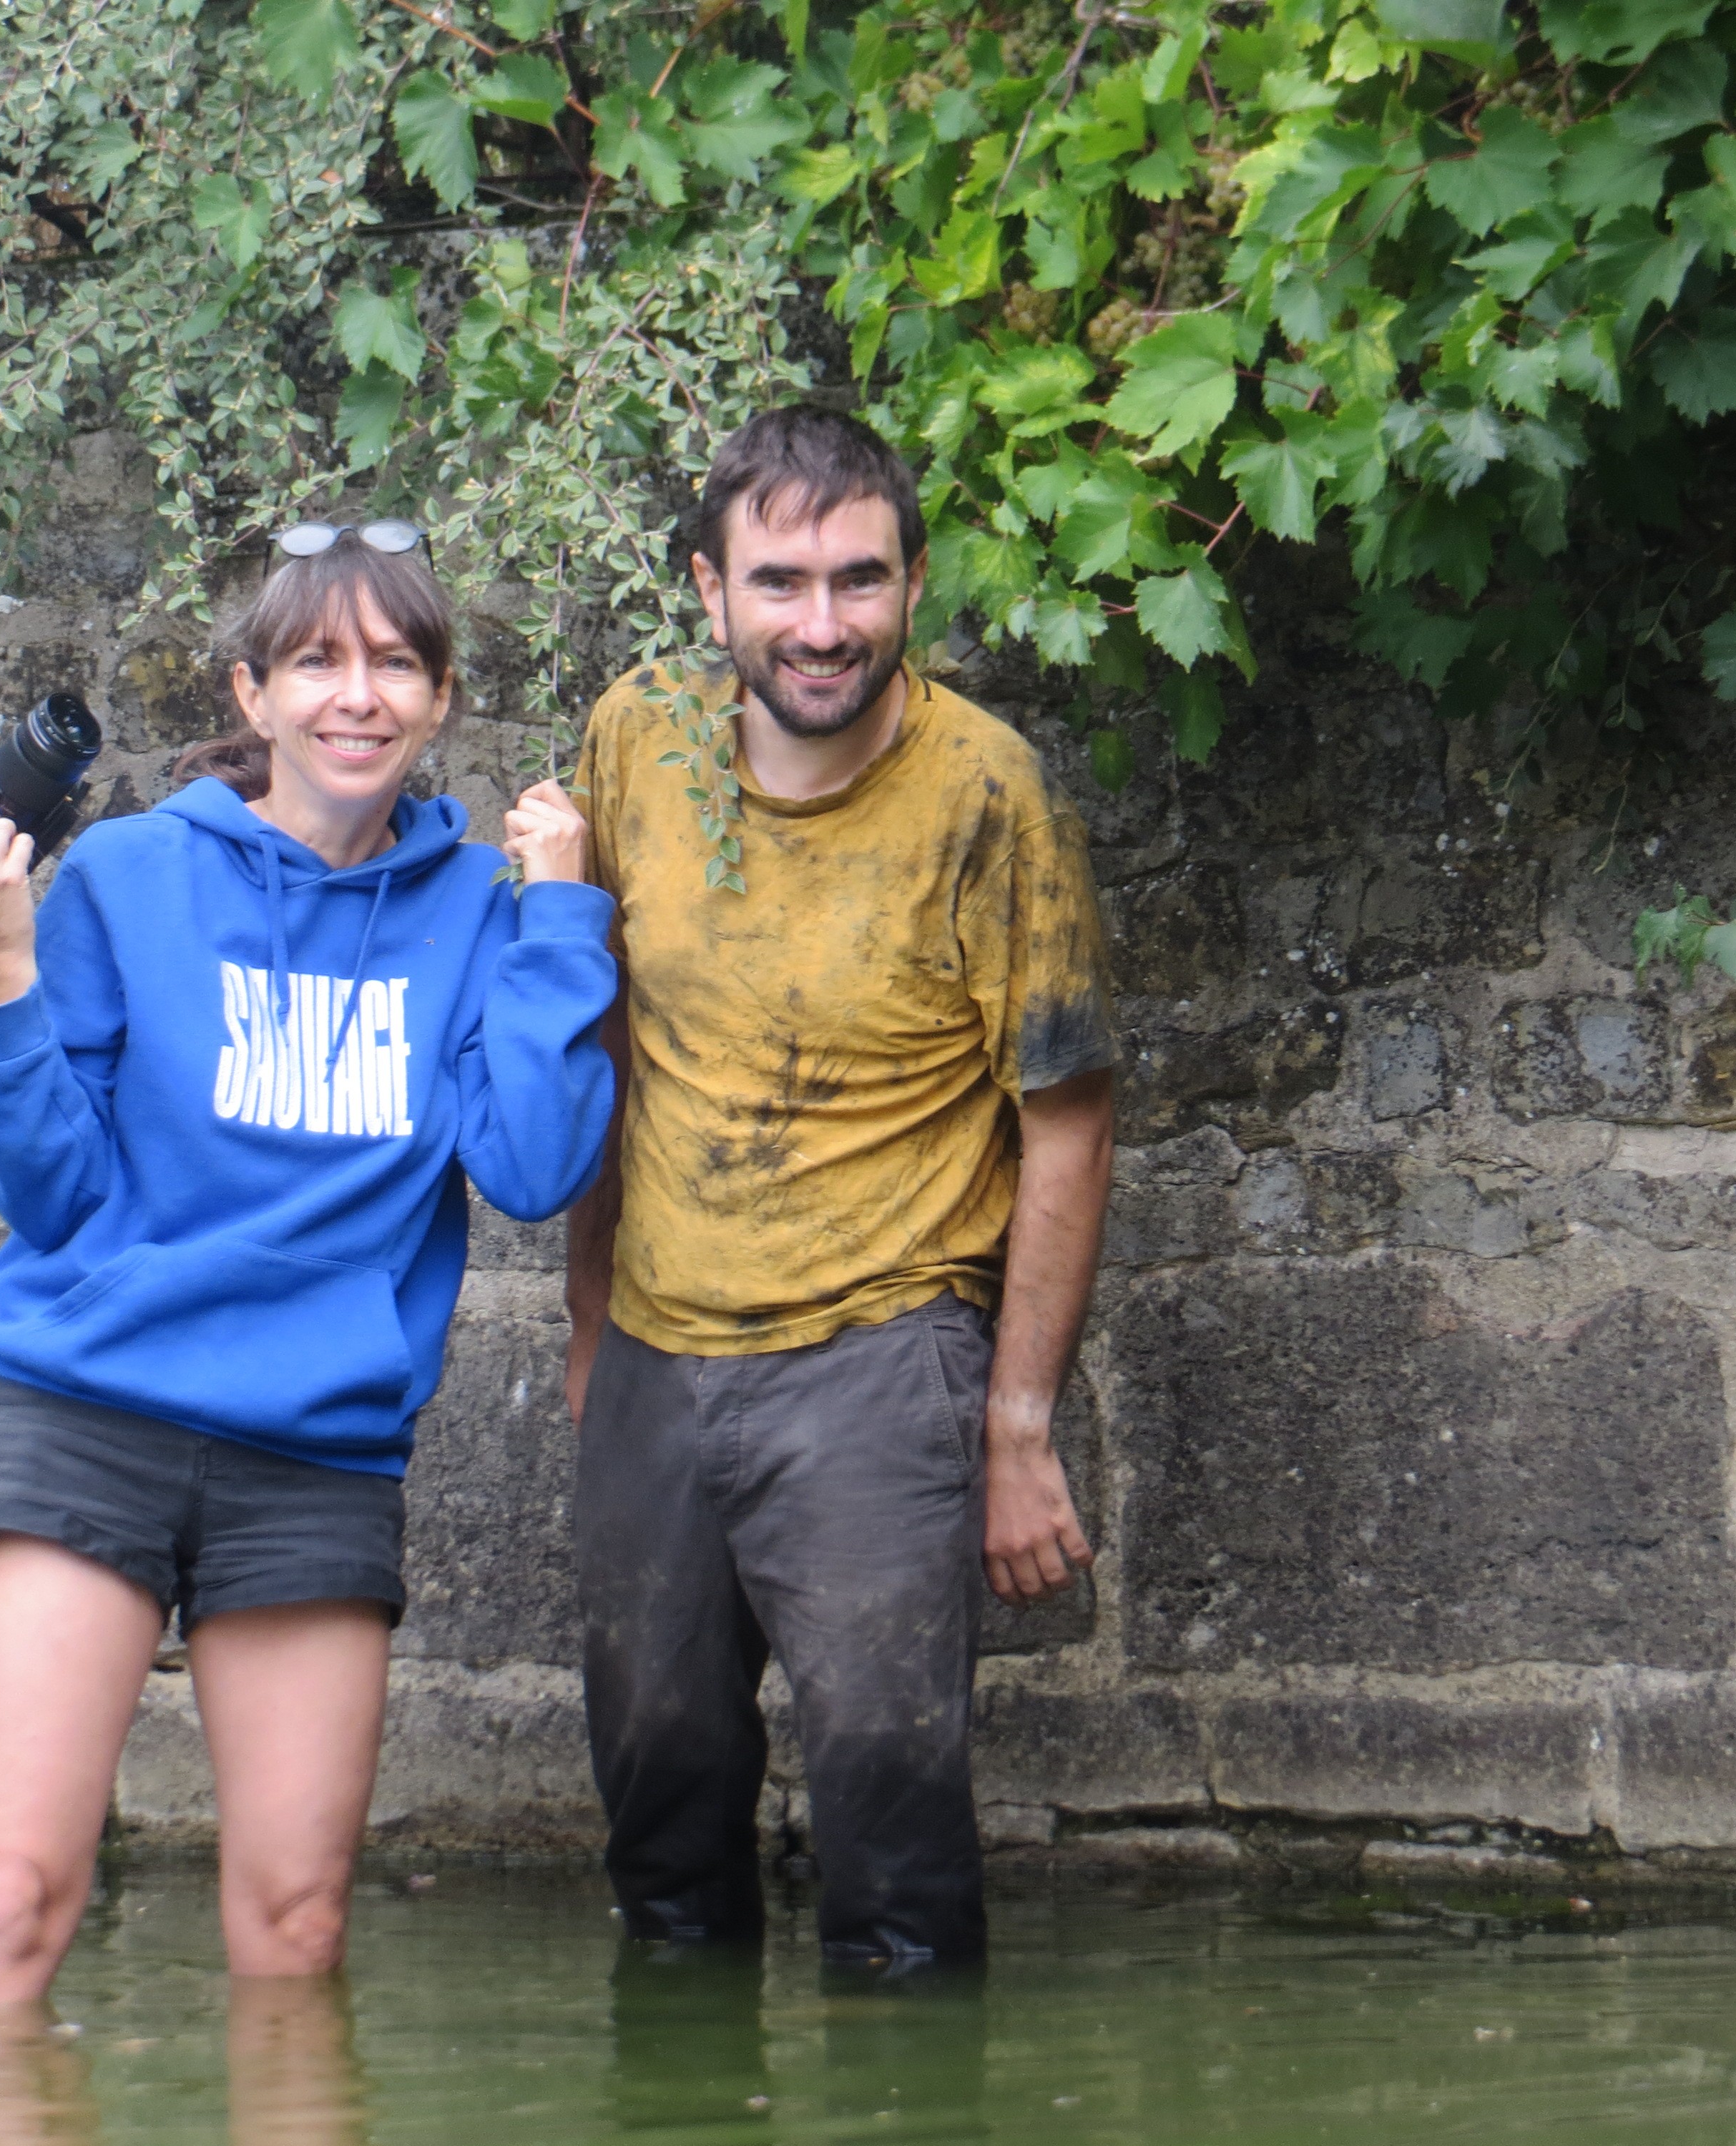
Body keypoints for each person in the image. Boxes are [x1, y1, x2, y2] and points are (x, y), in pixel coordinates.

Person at [0, 521, 617, 2009]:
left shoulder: (479, 913)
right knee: (12, 1901)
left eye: (394, 664)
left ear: (436, 701)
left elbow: (536, 1170)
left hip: (315, 1454)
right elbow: (50, 1199)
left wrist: (557, 915)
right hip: (88, 1419)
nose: (354, 696)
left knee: (296, 1931)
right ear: (254, 689)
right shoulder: (123, 878)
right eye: (316, 662)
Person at [564, 406, 1118, 1968]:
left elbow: (1066, 1125)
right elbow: (611, 1042)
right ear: (707, 590)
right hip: (658, 1367)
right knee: (658, 1831)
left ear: (913, 584)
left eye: (858, 582)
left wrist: (1016, 1427)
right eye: (780, 583)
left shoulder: (989, 798)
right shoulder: (635, 740)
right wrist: (589, 1313)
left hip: (883, 1366)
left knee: (892, 1855)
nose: (821, 626)